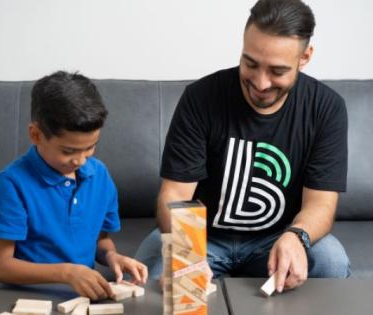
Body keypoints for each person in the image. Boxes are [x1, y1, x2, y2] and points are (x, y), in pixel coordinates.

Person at [135, 0, 350, 293]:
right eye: (250, 63)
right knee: (149, 279)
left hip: (277, 239)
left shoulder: (326, 108)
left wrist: (296, 237)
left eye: (277, 71)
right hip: (202, 239)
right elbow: (174, 193)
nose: (260, 83)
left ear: (305, 57)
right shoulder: (200, 98)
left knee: (331, 261)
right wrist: (188, 251)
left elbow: (321, 204)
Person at [0, 71, 148, 300]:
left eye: (90, 148)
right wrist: (67, 272)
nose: (80, 161)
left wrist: (112, 256)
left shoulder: (99, 175)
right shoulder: (12, 184)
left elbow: (100, 240)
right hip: (28, 298)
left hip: (81, 297)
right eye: (68, 151)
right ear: (36, 135)